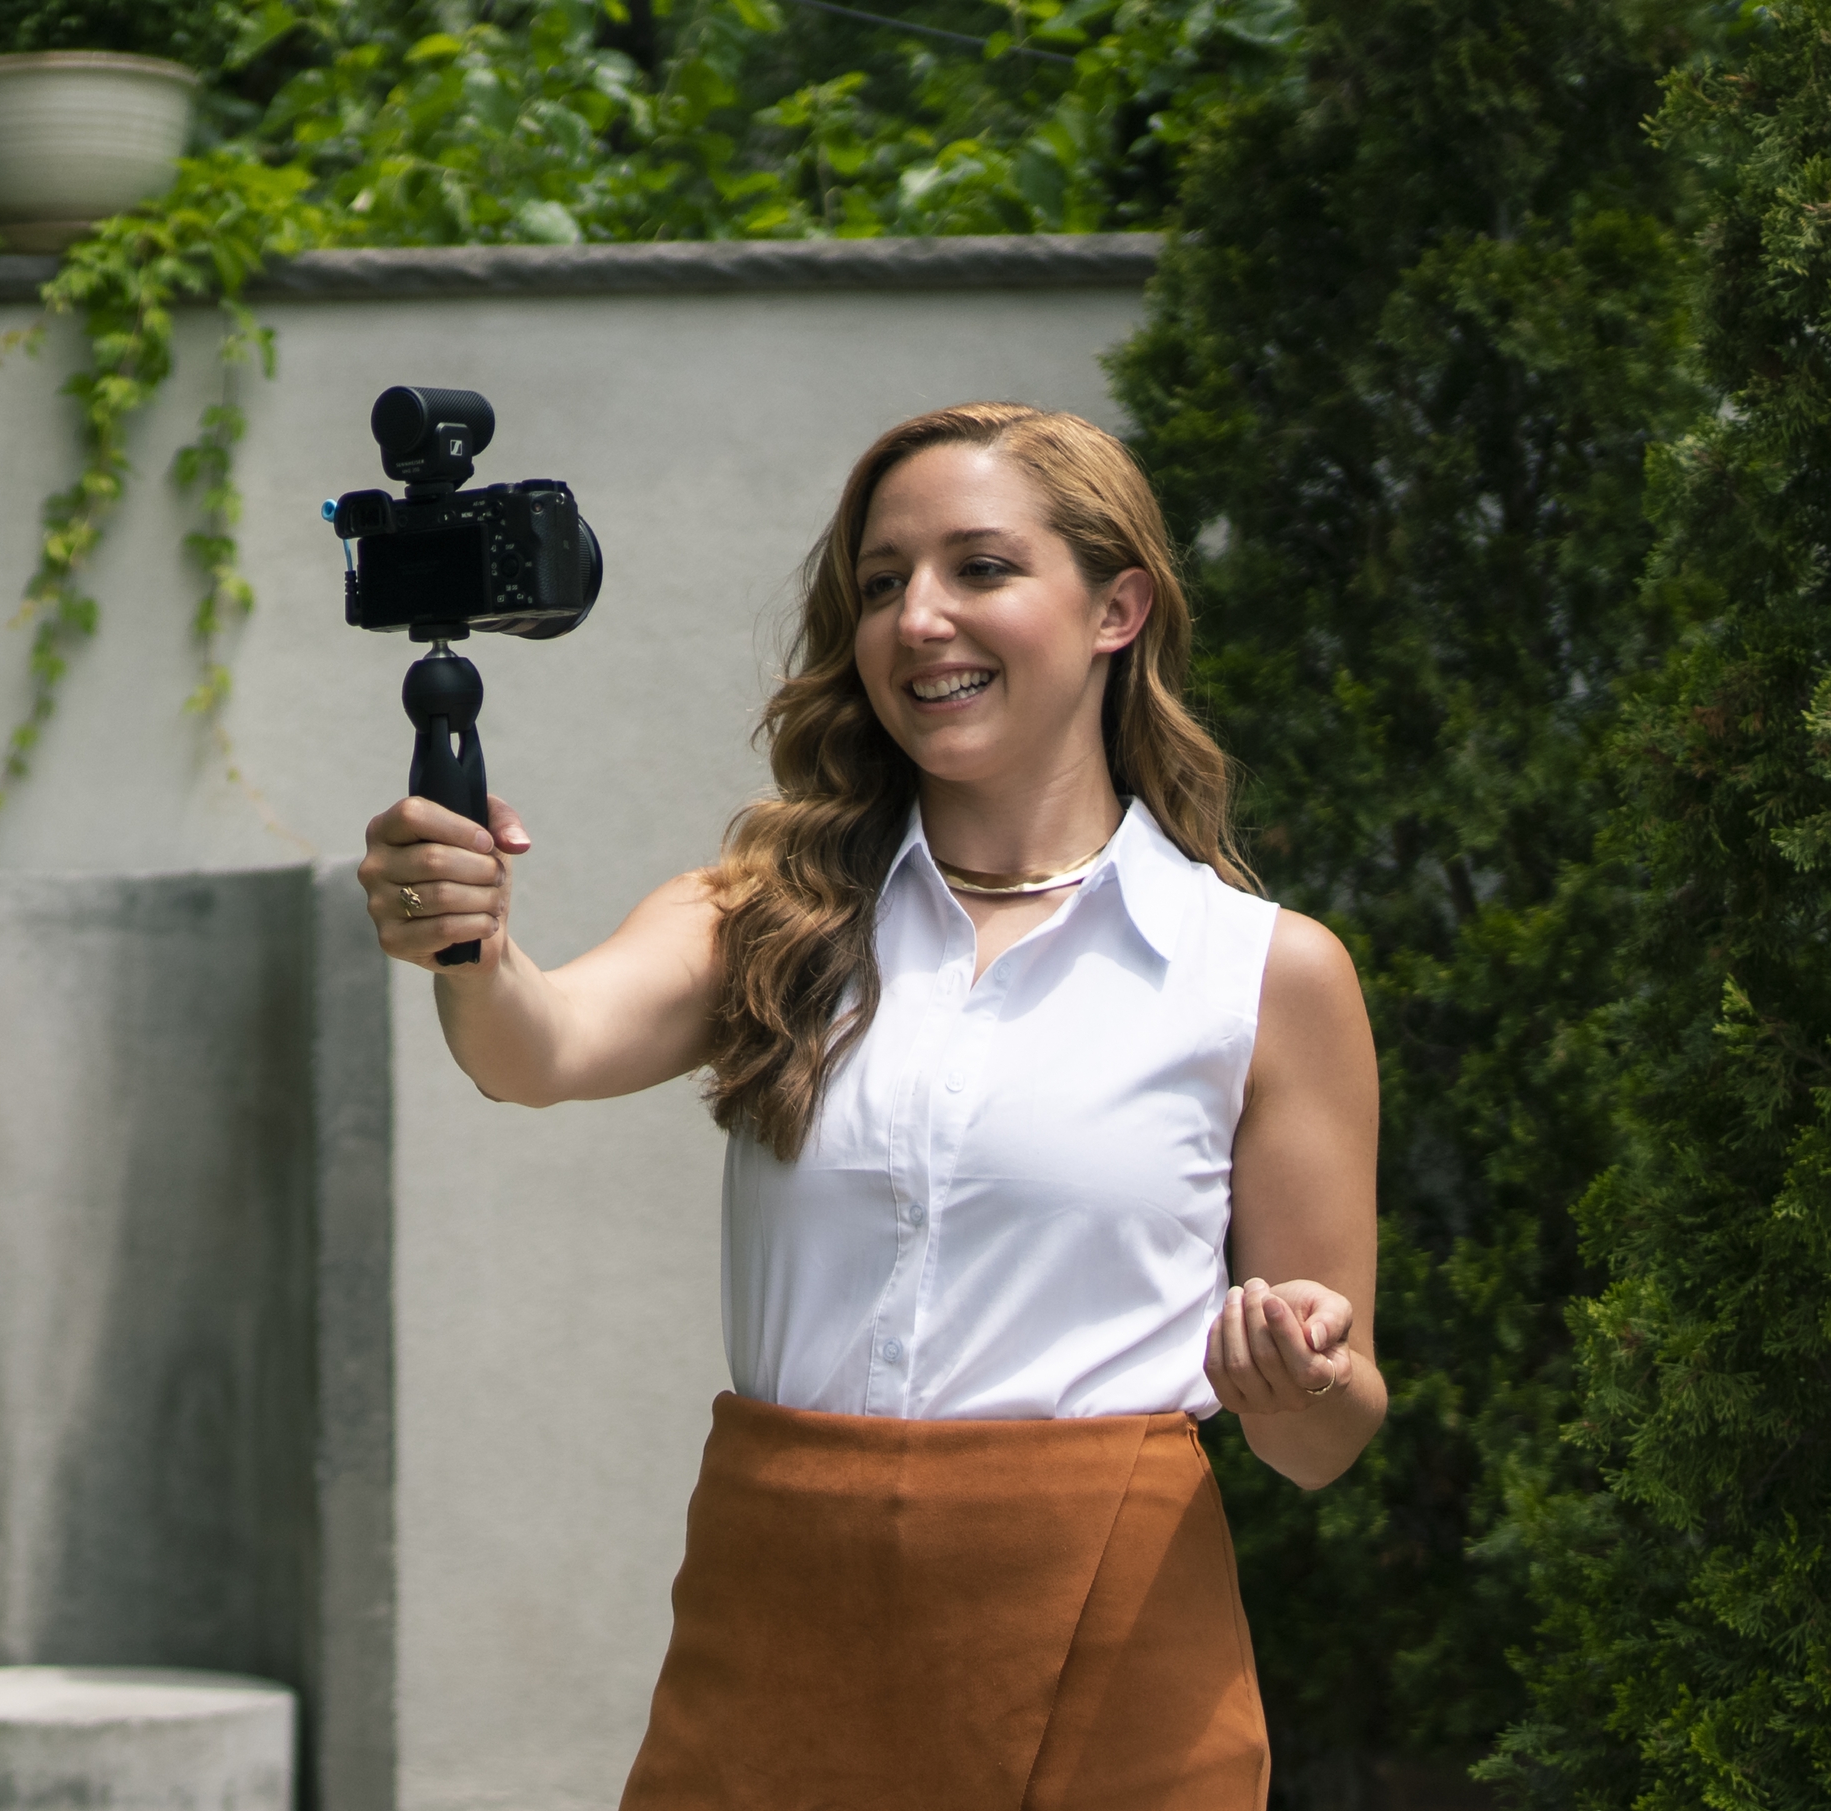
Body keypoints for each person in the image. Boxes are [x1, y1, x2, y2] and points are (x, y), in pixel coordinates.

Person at [358, 401, 1384, 1810]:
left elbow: (1327, 1437)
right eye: (884, 582)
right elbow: (531, 1050)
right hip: (776, 1631)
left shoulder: (1264, 974)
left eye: (982, 568)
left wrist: (1298, 1383)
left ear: (1118, 608)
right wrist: (468, 940)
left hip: (1112, 1656)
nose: (919, 619)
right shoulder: (761, 916)